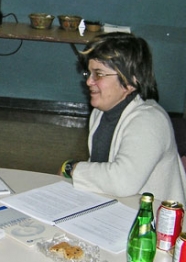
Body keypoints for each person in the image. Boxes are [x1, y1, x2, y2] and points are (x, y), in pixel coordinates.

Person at [60, 32, 186, 204]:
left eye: (99, 74)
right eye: (88, 73)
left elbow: (122, 181)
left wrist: (72, 168)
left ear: (130, 82)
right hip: (121, 209)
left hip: (157, 223)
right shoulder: (101, 112)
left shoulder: (149, 120)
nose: (89, 81)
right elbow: (101, 171)